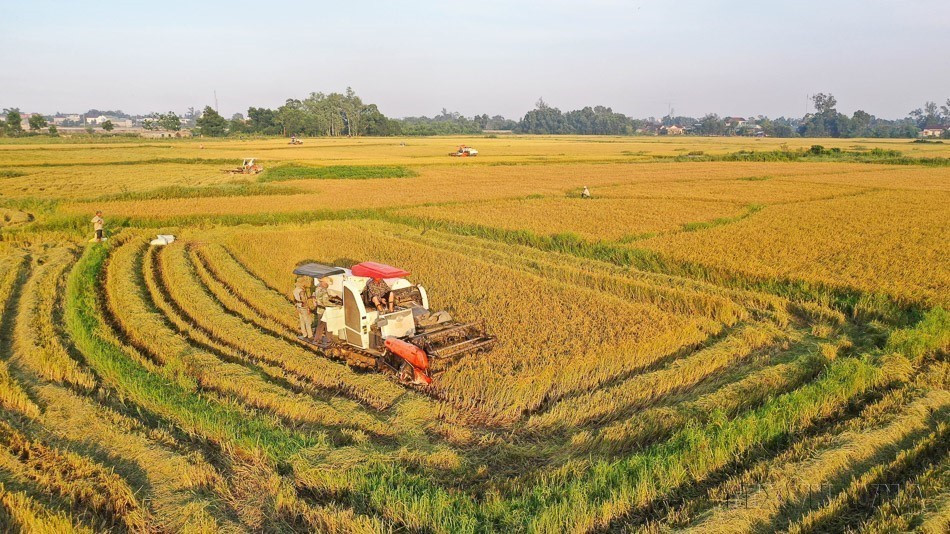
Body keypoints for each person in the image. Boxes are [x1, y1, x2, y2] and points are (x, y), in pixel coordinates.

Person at [310, 277, 333, 347]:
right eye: (327, 283)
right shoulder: (324, 291)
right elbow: (326, 302)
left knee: (320, 326)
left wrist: (315, 301)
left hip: (319, 310)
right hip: (325, 311)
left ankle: (316, 340)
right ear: (323, 283)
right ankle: (329, 341)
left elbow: (314, 296)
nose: (328, 285)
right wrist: (335, 304)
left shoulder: (317, 288)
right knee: (328, 326)